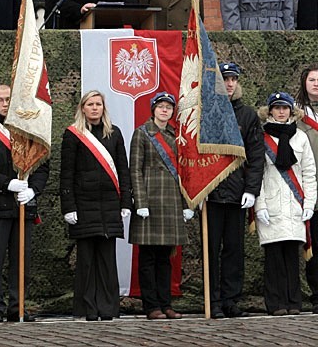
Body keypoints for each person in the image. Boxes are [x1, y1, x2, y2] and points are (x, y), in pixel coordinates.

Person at [0, 85, 48, 322]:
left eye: (9, 99)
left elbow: (42, 163)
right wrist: (7, 184)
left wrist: (33, 189)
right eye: (1, 99)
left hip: (23, 206)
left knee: (21, 261)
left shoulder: (28, 128)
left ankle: (18, 306)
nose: (6, 103)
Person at [59, 90, 131, 321]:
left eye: (98, 104)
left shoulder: (115, 133)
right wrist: (68, 206)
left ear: (103, 107)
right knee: (87, 260)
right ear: (83, 108)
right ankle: (88, 308)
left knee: (107, 260)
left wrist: (126, 202)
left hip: (109, 205)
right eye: (90, 104)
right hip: (83, 205)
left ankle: (109, 308)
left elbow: (123, 170)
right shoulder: (73, 135)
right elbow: (66, 174)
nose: (94, 108)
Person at [204, 63, 265, 318]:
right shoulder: (205, 112)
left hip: (238, 193)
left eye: (232, 79)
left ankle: (230, 299)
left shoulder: (248, 115)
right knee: (211, 249)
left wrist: (251, 189)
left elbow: (256, 155)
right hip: (211, 193)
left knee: (234, 249)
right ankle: (213, 300)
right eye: (224, 79)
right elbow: (193, 155)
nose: (229, 83)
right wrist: (198, 189)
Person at [129, 92, 191, 320]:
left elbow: (184, 172)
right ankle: (151, 306)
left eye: (168, 107)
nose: (165, 110)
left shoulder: (176, 136)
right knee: (148, 258)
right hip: (150, 201)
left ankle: (166, 304)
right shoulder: (142, 133)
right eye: (161, 106)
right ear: (153, 109)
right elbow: (134, 169)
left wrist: (186, 203)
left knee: (166, 259)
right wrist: (140, 202)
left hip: (172, 201)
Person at [255, 92, 316, 315]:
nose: (281, 111)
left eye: (285, 108)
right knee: (273, 258)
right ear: (270, 110)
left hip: (295, 205)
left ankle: (293, 303)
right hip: (270, 205)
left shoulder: (300, 137)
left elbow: (309, 173)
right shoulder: (261, 137)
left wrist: (309, 203)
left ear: (292, 111)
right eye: (277, 107)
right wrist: (259, 205)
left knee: (291, 256)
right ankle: (275, 303)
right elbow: (257, 174)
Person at [297, 65, 318, 312]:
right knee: (314, 244)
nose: (316, 83)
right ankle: (316, 294)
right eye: (312, 79)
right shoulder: (296, 113)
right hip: (308, 186)